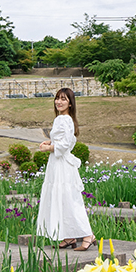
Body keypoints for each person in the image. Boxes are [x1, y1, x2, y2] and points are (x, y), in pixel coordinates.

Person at [36, 87, 95, 251]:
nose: (59, 102)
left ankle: (87, 235)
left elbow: (66, 143)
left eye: (63, 99)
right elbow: (64, 139)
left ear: (70, 103)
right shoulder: (63, 119)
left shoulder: (64, 119)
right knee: (62, 198)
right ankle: (69, 237)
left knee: (69, 199)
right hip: (57, 164)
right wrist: (50, 142)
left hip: (61, 164)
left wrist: (49, 148)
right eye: (57, 98)